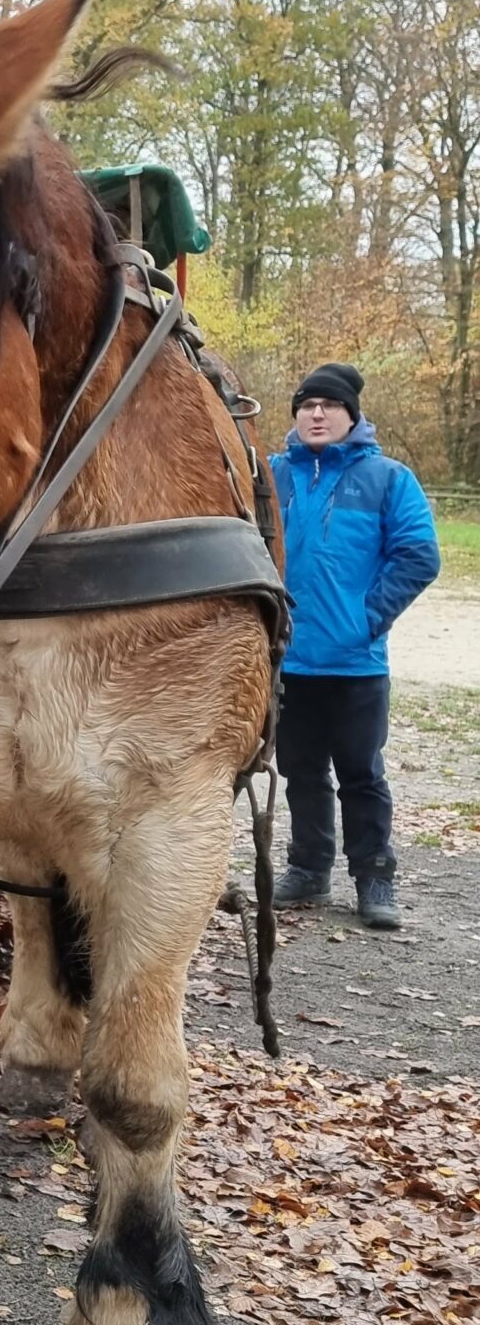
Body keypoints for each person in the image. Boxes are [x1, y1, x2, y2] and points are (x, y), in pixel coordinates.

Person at [270, 361, 439, 930]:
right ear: (296, 415)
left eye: (330, 405)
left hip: (354, 662)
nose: (317, 413)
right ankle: (309, 870)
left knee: (362, 774)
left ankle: (374, 879)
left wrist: (366, 619)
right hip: (288, 658)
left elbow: (420, 555)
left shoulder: (388, 479)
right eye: (307, 404)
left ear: (350, 415)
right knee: (300, 771)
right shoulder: (272, 476)